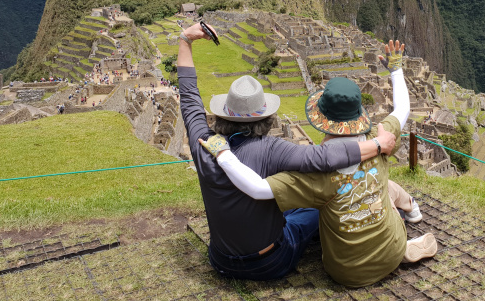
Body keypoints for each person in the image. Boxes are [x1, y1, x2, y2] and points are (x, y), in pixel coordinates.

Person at [178, 22, 397, 280]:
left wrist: (185, 40)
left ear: (224, 114)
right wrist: (378, 145)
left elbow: (189, 96)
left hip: (221, 260)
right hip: (270, 262)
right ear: (266, 118)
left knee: (289, 204)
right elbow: (322, 158)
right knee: (317, 208)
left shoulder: (202, 144)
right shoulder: (271, 149)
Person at [213, 40, 438, 287]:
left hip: (346, 273)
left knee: (325, 205)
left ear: (322, 120)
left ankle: (387, 237)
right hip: (391, 250)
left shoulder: (315, 175)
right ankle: (401, 237)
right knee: (381, 186)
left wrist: (224, 156)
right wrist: (396, 70)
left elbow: (257, 188)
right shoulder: (381, 139)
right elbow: (403, 109)